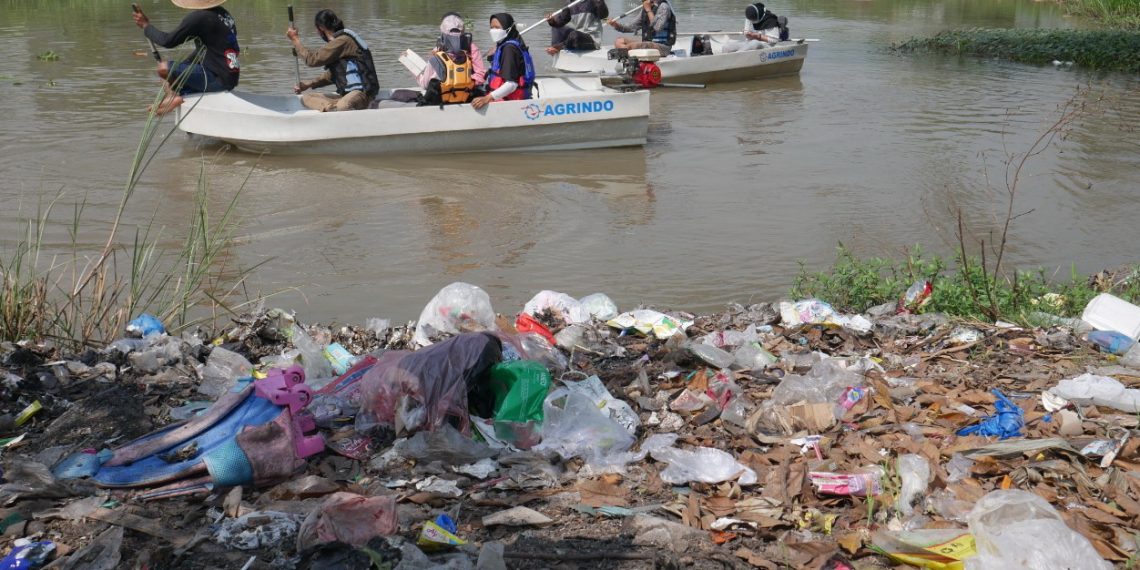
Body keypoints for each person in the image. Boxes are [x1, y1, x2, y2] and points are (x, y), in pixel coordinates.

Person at [131, 0, 240, 115]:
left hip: (217, 79)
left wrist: (146, 26)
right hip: (231, 79)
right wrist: (181, 68)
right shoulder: (225, 15)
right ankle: (178, 96)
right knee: (169, 75)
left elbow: (167, 41)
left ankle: (172, 97)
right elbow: (205, 49)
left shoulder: (199, 18)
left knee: (163, 68)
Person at [286, 9, 379, 112]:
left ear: (321, 28)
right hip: (347, 95)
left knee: (343, 106)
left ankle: (334, 109)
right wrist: (309, 84)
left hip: (362, 94)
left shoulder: (343, 41)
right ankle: (331, 108)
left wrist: (295, 39)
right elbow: (335, 74)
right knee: (306, 98)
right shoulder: (339, 41)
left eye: (317, 30)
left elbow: (312, 60)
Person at [414, 12, 486, 104]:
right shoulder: (472, 47)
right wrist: (464, 81)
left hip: (441, 98)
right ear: (462, 31)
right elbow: (481, 75)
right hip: (466, 95)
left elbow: (425, 85)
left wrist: (415, 72)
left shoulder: (437, 51)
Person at [471, 14, 535, 110]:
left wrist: (487, 98)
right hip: (506, 97)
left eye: (497, 27)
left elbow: (511, 84)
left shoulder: (509, 49)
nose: (493, 30)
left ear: (508, 28)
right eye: (491, 27)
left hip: (509, 101)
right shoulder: (506, 44)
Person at [608, 0, 676, 57]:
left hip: (663, 47)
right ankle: (630, 58)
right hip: (649, 43)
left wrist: (648, 10)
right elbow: (631, 27)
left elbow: (657, 28)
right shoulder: (646, 8)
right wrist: (615, 25)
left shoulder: (664, 7)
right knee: (619, 41)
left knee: (629, 47)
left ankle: (628, 60)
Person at [723, 3, 787, 53]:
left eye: (753, 19)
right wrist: (748, 34)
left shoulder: (771, 21)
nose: (752, 21)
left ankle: (737, 55)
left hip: (766, 45)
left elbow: (774, 40)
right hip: (749, 43)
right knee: (727, 46)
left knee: (755, 42)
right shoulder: (749, 16)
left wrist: (758, 36)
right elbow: (747, 34)